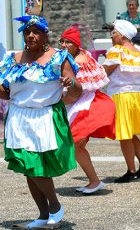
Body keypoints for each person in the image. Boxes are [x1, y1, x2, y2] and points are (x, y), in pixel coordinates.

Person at [0, 15, 82, 227]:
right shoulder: (12, 58)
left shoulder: (58, 57)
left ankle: (54, 206)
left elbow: (77, 91)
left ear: (45, 34)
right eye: (27, 31)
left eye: (36, 31)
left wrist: (70, 82)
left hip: (44, 116)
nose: (31, 35)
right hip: (18, 116)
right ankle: (43, 215)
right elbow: (5, 92)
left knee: (37, 167)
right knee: (28, 166)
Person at [103, 20, 140, 183]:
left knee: (124, 134)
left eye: (114, 32)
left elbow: (105, 72)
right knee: (131, 133)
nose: (111, 35)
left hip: (122, 95)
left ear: (122, 35)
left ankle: (131, 171)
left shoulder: (116, 50)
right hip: (139, 96)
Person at [59, 26, 116, 194]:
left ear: (76, 44)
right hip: (84, 103)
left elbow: (77, 92)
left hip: (87, 104)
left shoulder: (78, 61)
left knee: (75, 143)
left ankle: (94, 181)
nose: (63, 44)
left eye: (68, 42)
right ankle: (94, 180)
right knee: (77, 144)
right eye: (62, 41)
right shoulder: (78, 55)